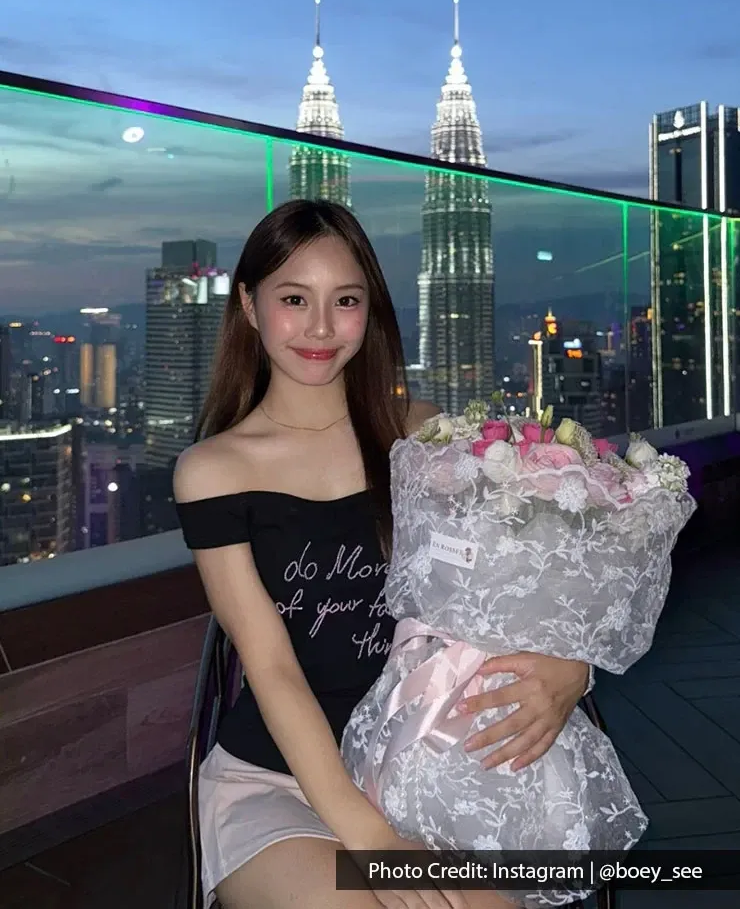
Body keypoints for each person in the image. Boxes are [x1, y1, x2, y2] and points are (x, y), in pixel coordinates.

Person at [174, 200, 591, 909]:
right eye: (293, 299)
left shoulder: (421, 435)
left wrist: (570, 665)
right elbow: (271, 669)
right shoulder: (214, 471)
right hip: (276, 781)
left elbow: (515, 580)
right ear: (248, 304)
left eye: (345, 301)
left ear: (370, 310)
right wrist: (373, 840)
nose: (320, 327)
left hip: (427, 760)